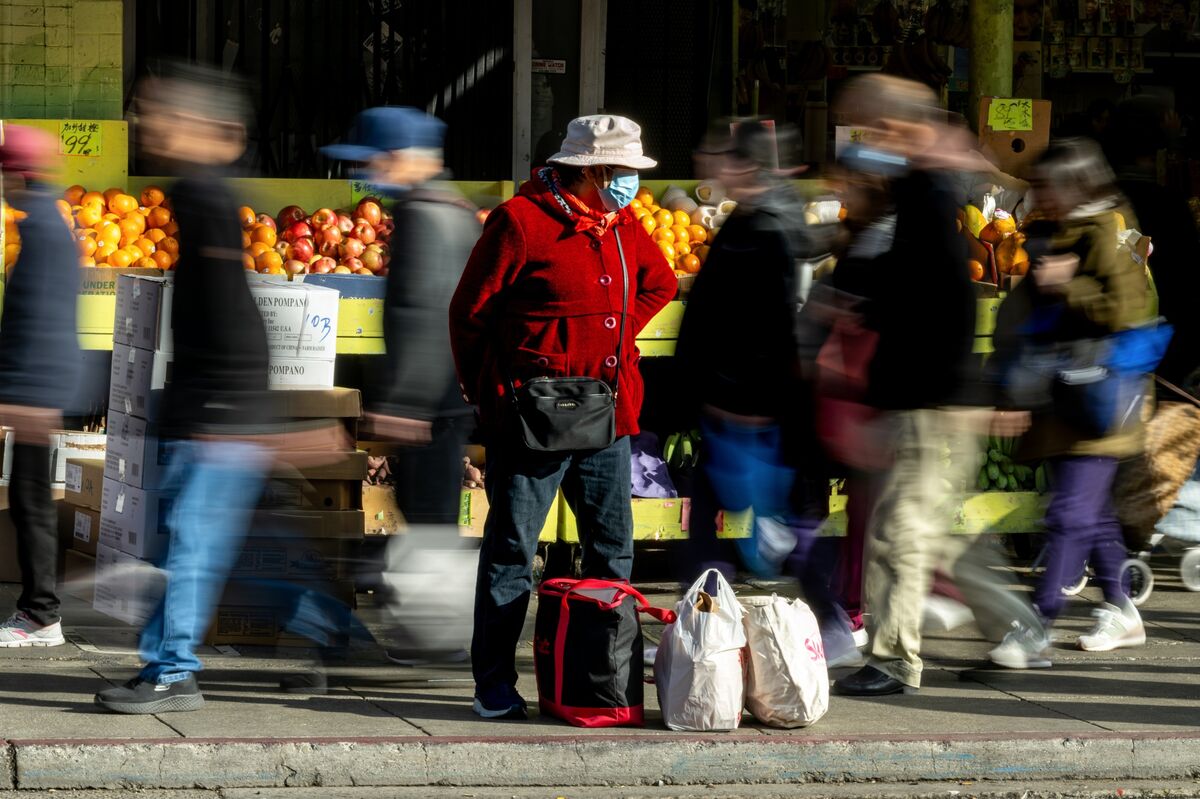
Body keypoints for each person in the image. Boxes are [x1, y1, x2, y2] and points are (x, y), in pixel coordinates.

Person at [827, 75, 1047, 697]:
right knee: (926, 532)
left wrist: (947, 395)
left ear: (898, 127)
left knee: (902, 532)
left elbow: (943, 302)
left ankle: (895, 662)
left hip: (924, 399)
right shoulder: (917, 191)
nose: (867, 138)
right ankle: (1017, 625)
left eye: (870, 125)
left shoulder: (926, 195)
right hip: (916, 396)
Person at [450, 115, 676, 719]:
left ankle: (603, 683)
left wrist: (617, 338)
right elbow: (470, 313)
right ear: (593, 170)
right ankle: (494, 684)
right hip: (530, 415)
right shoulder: (520, 223)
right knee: (511, 552)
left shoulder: (625, 226)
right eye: (624, 171)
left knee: (613, 551)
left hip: (608, 413)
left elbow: (660, 282)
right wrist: (491, 391)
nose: (632, 183)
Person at [95, 65, 272, 714]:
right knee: (179, 539)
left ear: (198, 128)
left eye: (158, 113)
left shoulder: (204, 195)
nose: (147, 124)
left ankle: (174, 671)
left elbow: (228, 310)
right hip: (209, 403)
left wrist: (220, 407)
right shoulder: (195, 192)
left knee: (191, 541)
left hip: (221, 409)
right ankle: (162, 664)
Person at [673, 119, 857, 664]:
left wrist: (749, 405)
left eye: (724, 158)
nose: (713, 167)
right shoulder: (753, 220)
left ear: (745, 167)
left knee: (770, 536)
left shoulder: (767, 231)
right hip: (735, 404)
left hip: (751, 409)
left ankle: (828, 624)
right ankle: (706, 636)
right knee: (722, 529)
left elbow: (769, 331)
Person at [322, 106, 480, 666]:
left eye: (377, 157)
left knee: (429, 511)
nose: (371, 169)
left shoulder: (424, 215)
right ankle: (433, 632)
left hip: (433, 398)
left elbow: (423, 310)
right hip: (452, 390)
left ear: (406, 157)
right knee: (430, 512)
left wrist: (407, 402)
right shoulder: (456, 209)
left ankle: (438, 638)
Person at [989, 137, 1155, 660]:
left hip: (1102, 397)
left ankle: (1038, 625)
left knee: (1068, 515)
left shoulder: (1110, 230)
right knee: (1090, 512)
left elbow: (1131, 312)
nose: (1038, 197)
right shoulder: (1066, 229)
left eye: (1045, 187)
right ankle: (1122, 610)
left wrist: (1068, 287)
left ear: (1073, 185)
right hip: (1067, 395)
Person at [0, 126, 81, 647]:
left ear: (19, 173)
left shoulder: (46, 232)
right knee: (29, 499)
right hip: (34, 389)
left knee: (31, 502)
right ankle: (38, 610)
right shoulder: (44, 225)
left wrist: (23, 396)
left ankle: (40, 614)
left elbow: (42, 320)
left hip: (36, 391)